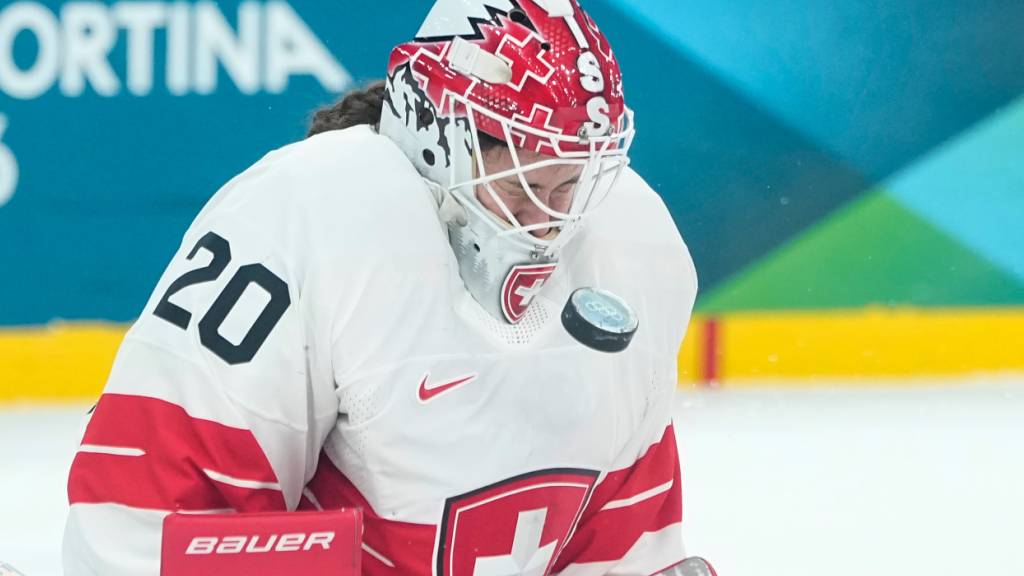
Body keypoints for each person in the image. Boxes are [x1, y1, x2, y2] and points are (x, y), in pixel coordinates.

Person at [63, 1, 705, 574]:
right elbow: (141, 527)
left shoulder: (629, 242)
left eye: (571, 184)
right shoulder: (310, 217)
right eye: (524, 186)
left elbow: (623, 548)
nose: (550, 223)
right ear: (437, 140)